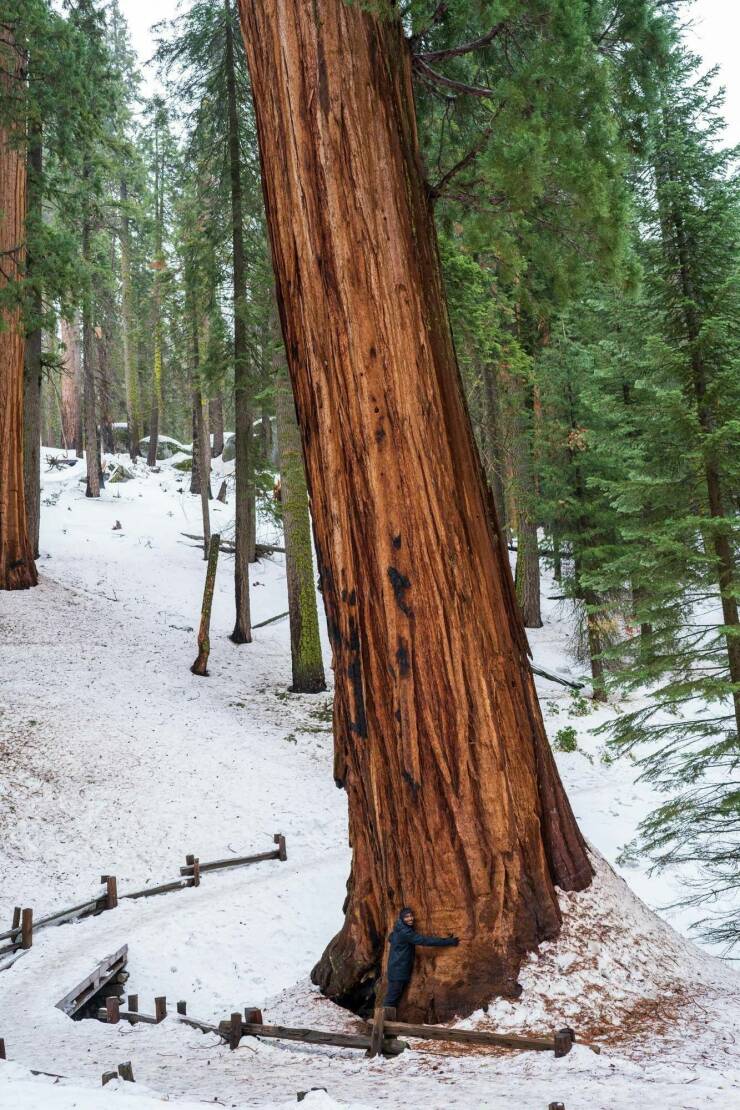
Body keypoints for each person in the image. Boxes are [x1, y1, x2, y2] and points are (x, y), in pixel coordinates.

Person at [383, 906, 459, 1009]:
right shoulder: (405, 932)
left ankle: (385, 1021)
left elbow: (391, 938)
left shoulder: (397, 930)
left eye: (411, 916)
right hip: (398, 971)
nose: (410, 918)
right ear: (402, 919)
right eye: (406, 917)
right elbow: (424, 940)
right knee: (391, 999)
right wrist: (448, 941)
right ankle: (381, 1023)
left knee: (393, 997)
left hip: (395, 969)